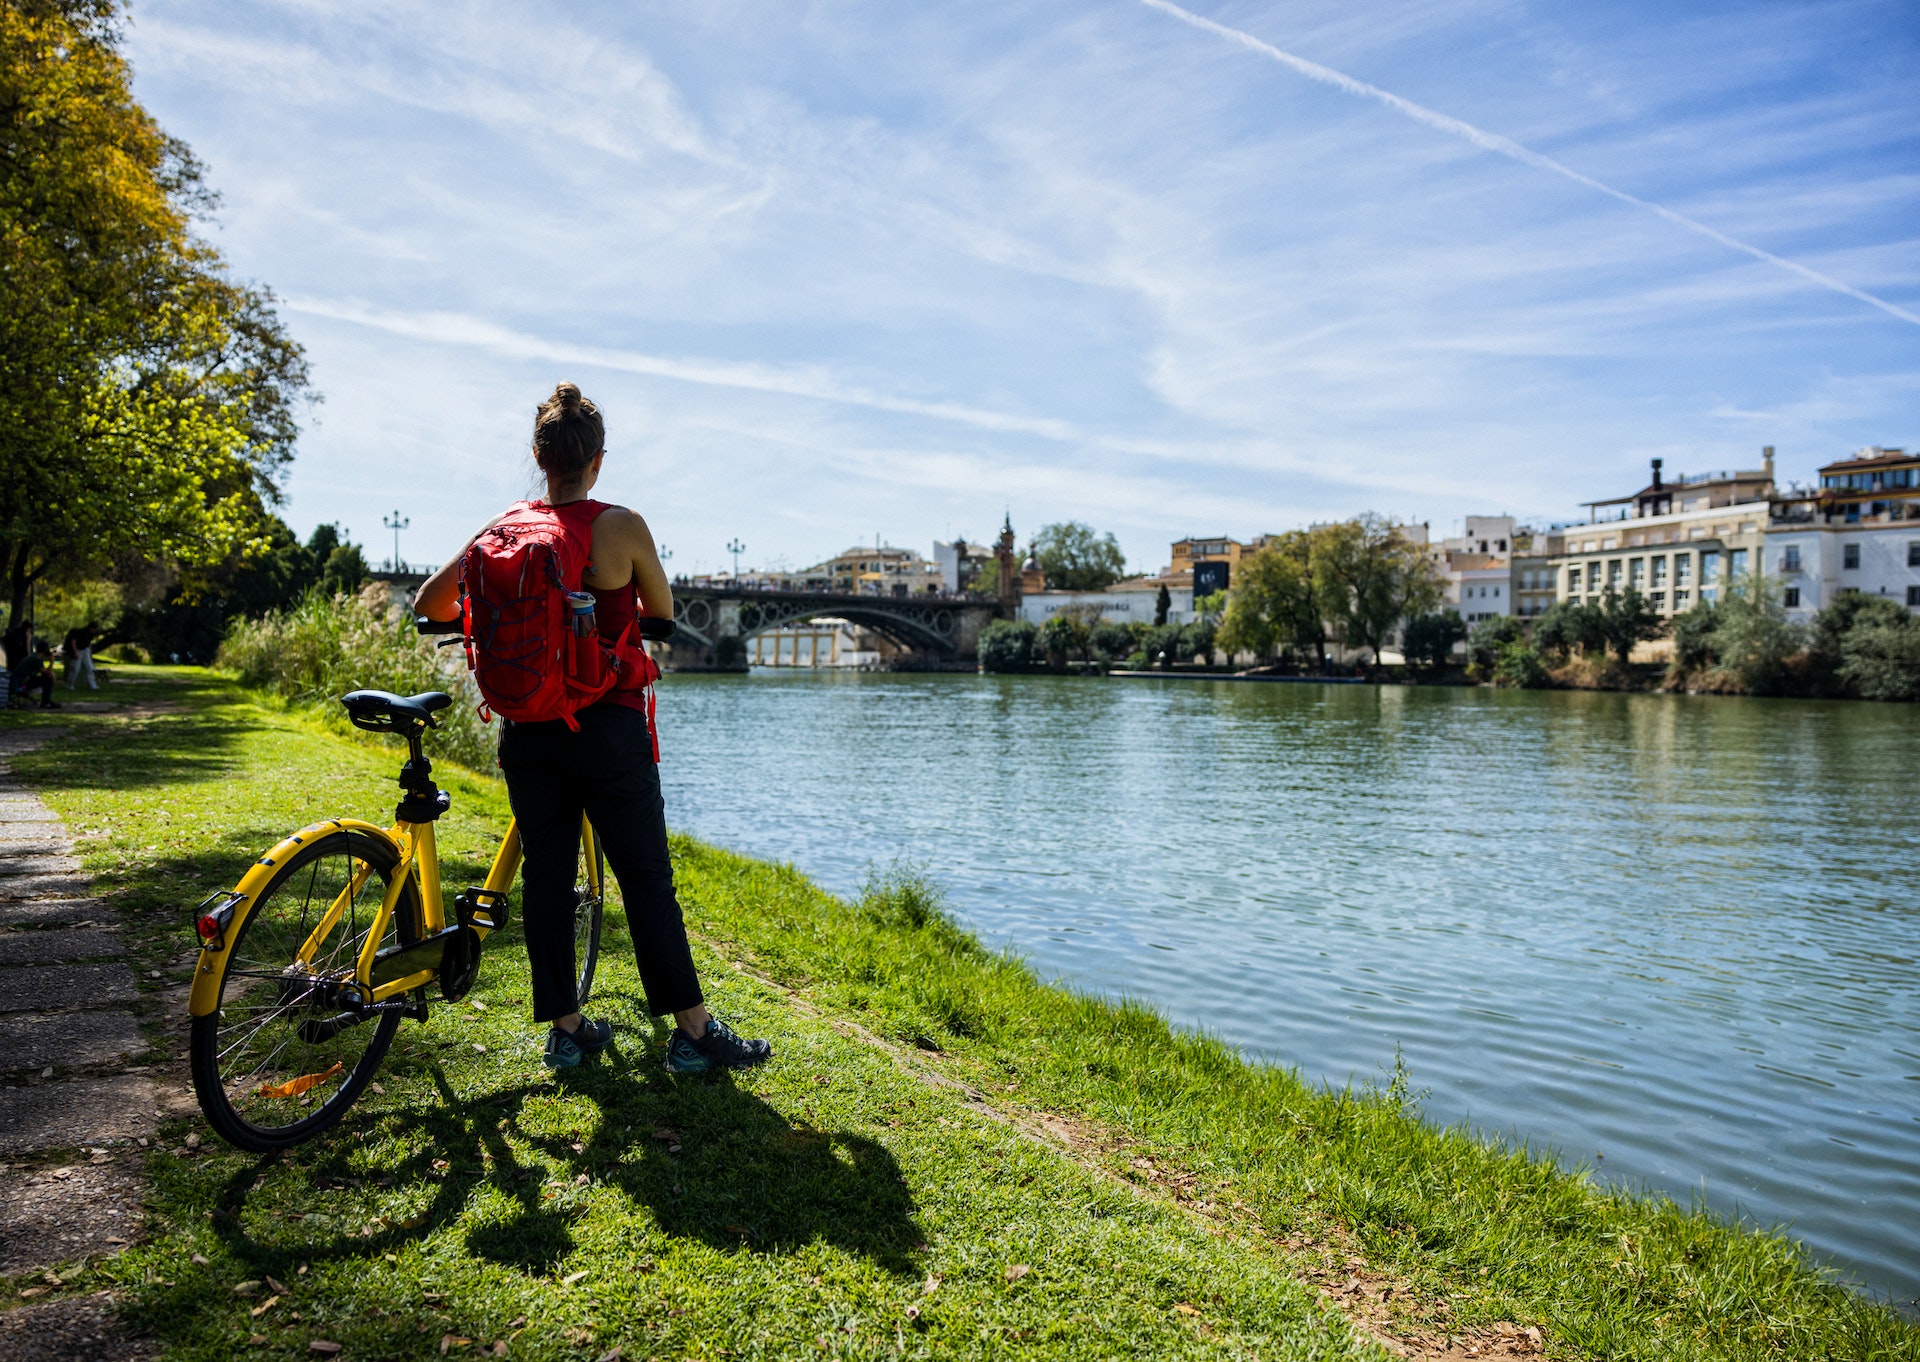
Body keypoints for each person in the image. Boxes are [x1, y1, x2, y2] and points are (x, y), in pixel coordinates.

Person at [416, 382, 771, 1075]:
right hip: (606, 727)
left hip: (528, 731)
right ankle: (692, 1033)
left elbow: (433, 602)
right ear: (597, 460)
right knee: (645, 879)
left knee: (547, 877)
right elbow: (662, 614)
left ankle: (566, 1028)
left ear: (539, 458)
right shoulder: (620, 525)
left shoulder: (503, 526)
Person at [64, 623, 98, 691]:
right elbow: (73, 642)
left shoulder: (91, 634)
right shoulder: (81, 632)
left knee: (89, 668)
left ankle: (92, 685)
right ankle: (70, 685)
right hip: (78, 649)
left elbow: (89, 644)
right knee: (75, 669)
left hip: (85, 650)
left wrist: (89, 654)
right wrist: (75, 652)